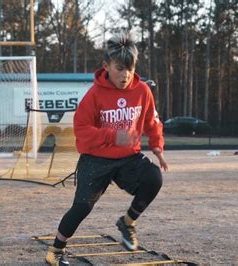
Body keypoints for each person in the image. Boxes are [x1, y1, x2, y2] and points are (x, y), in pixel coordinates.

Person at [45, 32, 168, 265]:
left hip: (127, 158)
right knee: (81, 207)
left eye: (130, 68)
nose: (126, 75)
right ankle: (55, 251)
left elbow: (153, 122)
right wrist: (114, 136)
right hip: (95, 159)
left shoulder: (142, 91)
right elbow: (81, 129)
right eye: (120, 68)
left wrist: (157, 147)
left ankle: (128, 222)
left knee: (154, 178)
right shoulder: (94, 95)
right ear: (107, 66)